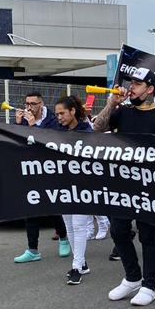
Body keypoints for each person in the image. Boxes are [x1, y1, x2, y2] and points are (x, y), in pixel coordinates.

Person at [92, 68, 155, 306]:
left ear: (150, 89)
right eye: (131, 82)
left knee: (148, 235)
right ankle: (132, 277)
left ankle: (149, 285)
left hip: (150, 185)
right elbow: (97, 128)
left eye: (137, 84)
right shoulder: (123, 111)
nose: (131, 87)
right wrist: (112, 103)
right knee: (118, 230)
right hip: (123, 183)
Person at [14, 91, 70, 263]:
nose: (29, 107)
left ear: (41, 104)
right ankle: (32, 250)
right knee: (30, 208)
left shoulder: (53, 119)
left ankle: (63, 238)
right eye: (27, 103)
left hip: (49, 168)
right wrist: (16, 124)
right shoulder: (23, 119)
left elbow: (51, 141)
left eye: (33, 104)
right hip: (30, 168)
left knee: (52, 206)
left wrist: (33, 127)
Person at [54, 95, 99, 285]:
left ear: (72, 111)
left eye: (62, 113)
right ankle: (80, 263)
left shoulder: (87, 132)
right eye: (56, 114)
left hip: (83, 185)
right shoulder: (57, 131)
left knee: (80, 225)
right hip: (65, 184)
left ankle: (77, 266)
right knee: (70, 226)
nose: (59, 117)